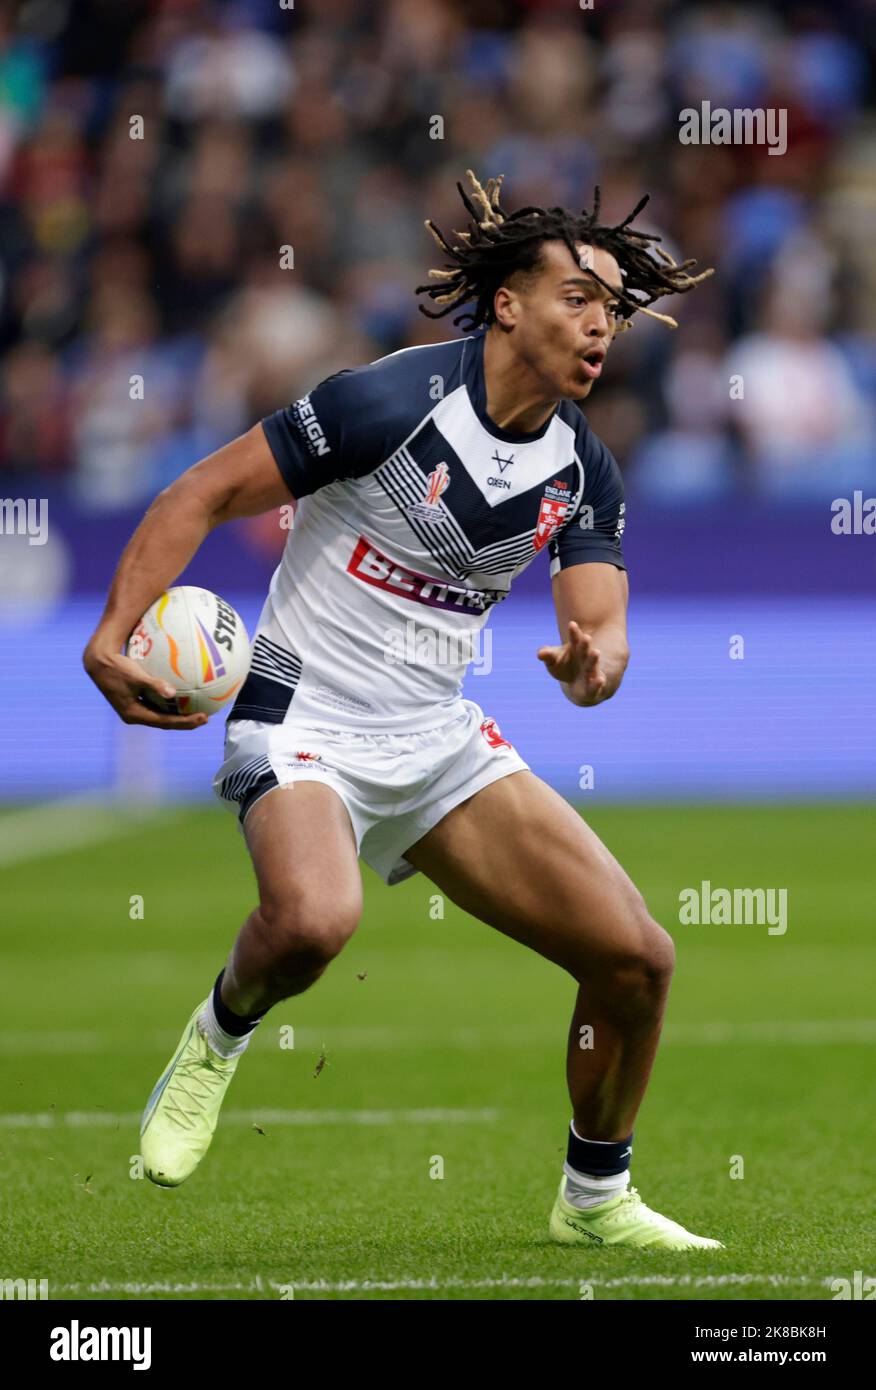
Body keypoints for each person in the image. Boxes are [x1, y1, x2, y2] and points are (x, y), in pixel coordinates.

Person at [84, 171, 721, 1249]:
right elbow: (195, 493)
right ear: (509, 303)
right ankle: (217, 1033)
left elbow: (598, 614)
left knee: (638, 957)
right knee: (315, 923)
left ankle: (595, 1198)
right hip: (301, 711)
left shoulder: (582, 468)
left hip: (433, 736)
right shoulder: (383, 403)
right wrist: (112, 634)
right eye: (579, 294)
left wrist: (595, 660)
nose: (601, 321)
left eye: (614, 306)